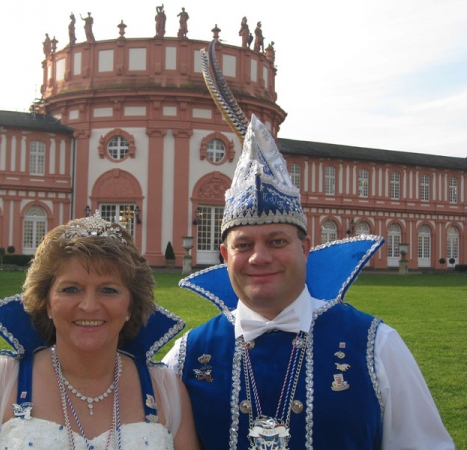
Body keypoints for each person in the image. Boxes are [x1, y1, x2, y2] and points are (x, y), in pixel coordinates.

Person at [163, 115, 455, 449]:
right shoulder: (187, 356)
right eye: (243, 245)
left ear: (304, 249)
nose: (259, 257)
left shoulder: (376, 347)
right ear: (225, 257)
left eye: (276, 242)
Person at [0, 212, 200, 449]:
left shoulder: (166, 389)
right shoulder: (0, 380)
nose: (89, 306)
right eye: (71, 289)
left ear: (130, 307)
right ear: (46, 303)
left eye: (108, 290)